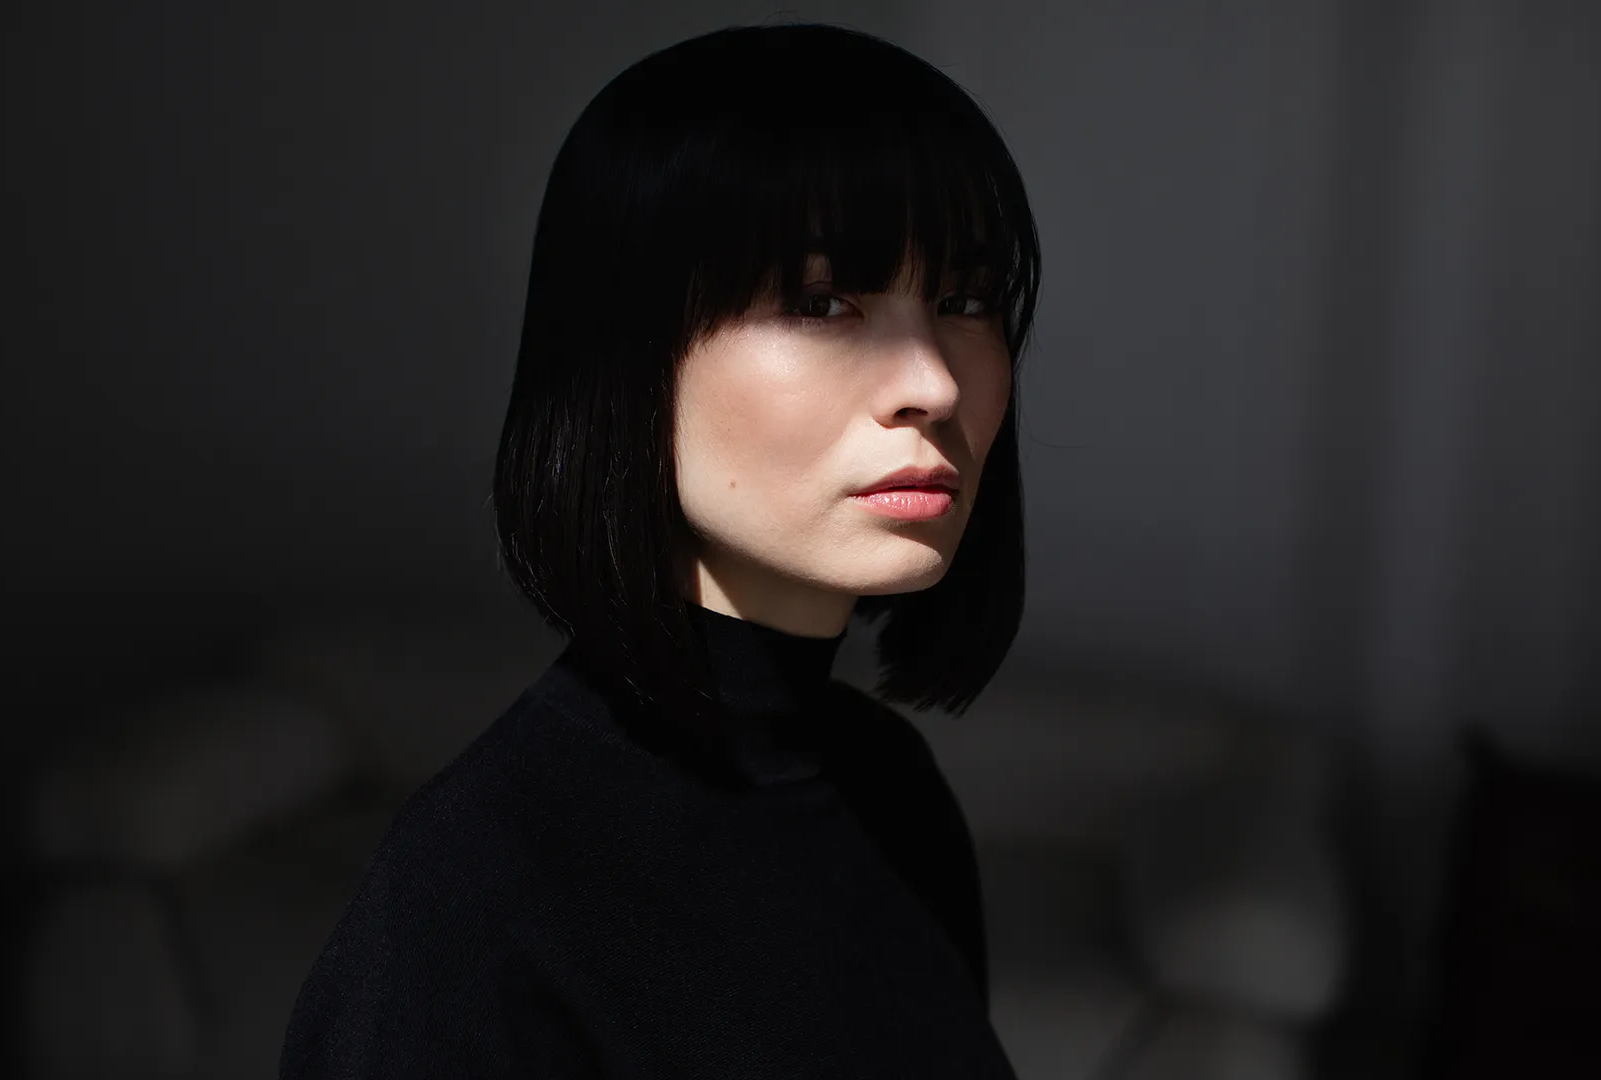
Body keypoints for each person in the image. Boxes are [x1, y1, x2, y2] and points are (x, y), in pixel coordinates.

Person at [281, 20, 1040, 1078]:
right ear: (626, 359)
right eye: (822, 301)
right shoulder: (476, 903)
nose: (935, 382)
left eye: (964, 301)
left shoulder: (890, 789)